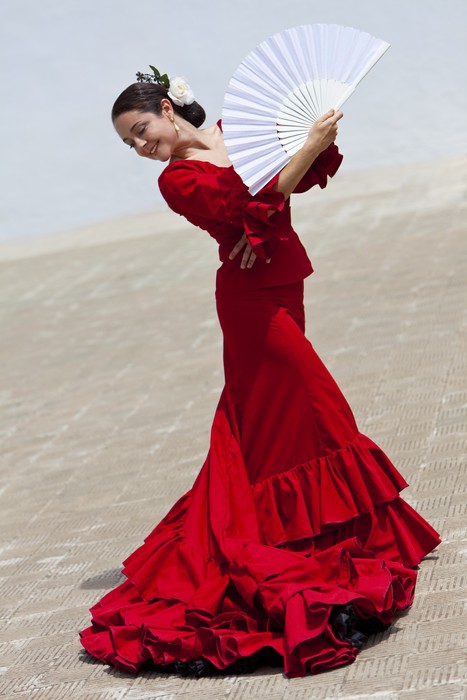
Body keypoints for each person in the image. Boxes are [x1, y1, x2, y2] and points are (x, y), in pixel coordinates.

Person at [79, 69, 441, 679]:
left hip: (280, 283)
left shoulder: (235, 132)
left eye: (142, 130)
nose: (142, 147)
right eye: (130, 143)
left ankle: (330, 528)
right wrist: (297, 159)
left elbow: (289, 186)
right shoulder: (177, 180)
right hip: (249, 306)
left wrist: (314, 141)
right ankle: (318, 536)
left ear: (168, 109)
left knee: (284, 420)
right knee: (321, 407)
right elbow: (258, 200)